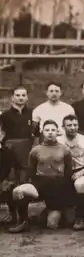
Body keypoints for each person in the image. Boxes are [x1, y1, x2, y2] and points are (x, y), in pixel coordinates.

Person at [9, 120, 73, 233]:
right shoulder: (35, 150)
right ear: (42, 132)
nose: (50, 133)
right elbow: (31, 170)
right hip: (41, 184)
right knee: (19, 191)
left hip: (57, 187)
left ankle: (42, 215)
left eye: (53, 130)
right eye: (47, 130)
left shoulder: (65, 149)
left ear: (58, 132)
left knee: (52, 225)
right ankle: (23, 222)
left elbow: (68, 172)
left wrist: (63, 189)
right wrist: (36, 183)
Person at [0, 86, 37, 225]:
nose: (20, 97)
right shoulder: (4, 115)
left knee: (23, 182)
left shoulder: (32, 114)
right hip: (10, 149)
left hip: (26, 150)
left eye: (23, 95)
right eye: (17, 95)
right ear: (12, 98)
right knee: (10, 182)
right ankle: (11, 213)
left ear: (27, 97)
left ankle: (24, 216)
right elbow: (2, 134)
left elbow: (35, 133)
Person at [57, 114, 84, 230]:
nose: (73, 127)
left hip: (82, 171)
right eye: (69, 125)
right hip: (65, 173)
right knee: (67, 220)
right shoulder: (58, 141)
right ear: (63, 127)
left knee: (79, 184)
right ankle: (58, 212)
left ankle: (80, 217)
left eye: (75, 125)